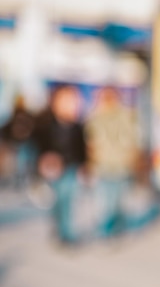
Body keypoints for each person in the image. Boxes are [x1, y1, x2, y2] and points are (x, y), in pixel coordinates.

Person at [34, 84, 87, 245]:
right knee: (59, 200)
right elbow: (41, 145)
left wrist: (84, 165)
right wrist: (44, 160)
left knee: (69, 199)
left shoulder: (77, 125)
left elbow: (81, 147)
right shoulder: (47, 124)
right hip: (54, 169)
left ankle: (67, 233)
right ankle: (59, 227)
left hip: (71, 167)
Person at [84, 86, 140, 237]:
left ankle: (115, 227)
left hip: (120, 165)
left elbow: (132, 139)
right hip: (102, 165)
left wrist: (132, 159)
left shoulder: (125, 116)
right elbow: (89, 142)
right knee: (104, 201)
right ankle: (106, 230)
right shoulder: (95, 117)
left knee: (117, 200)